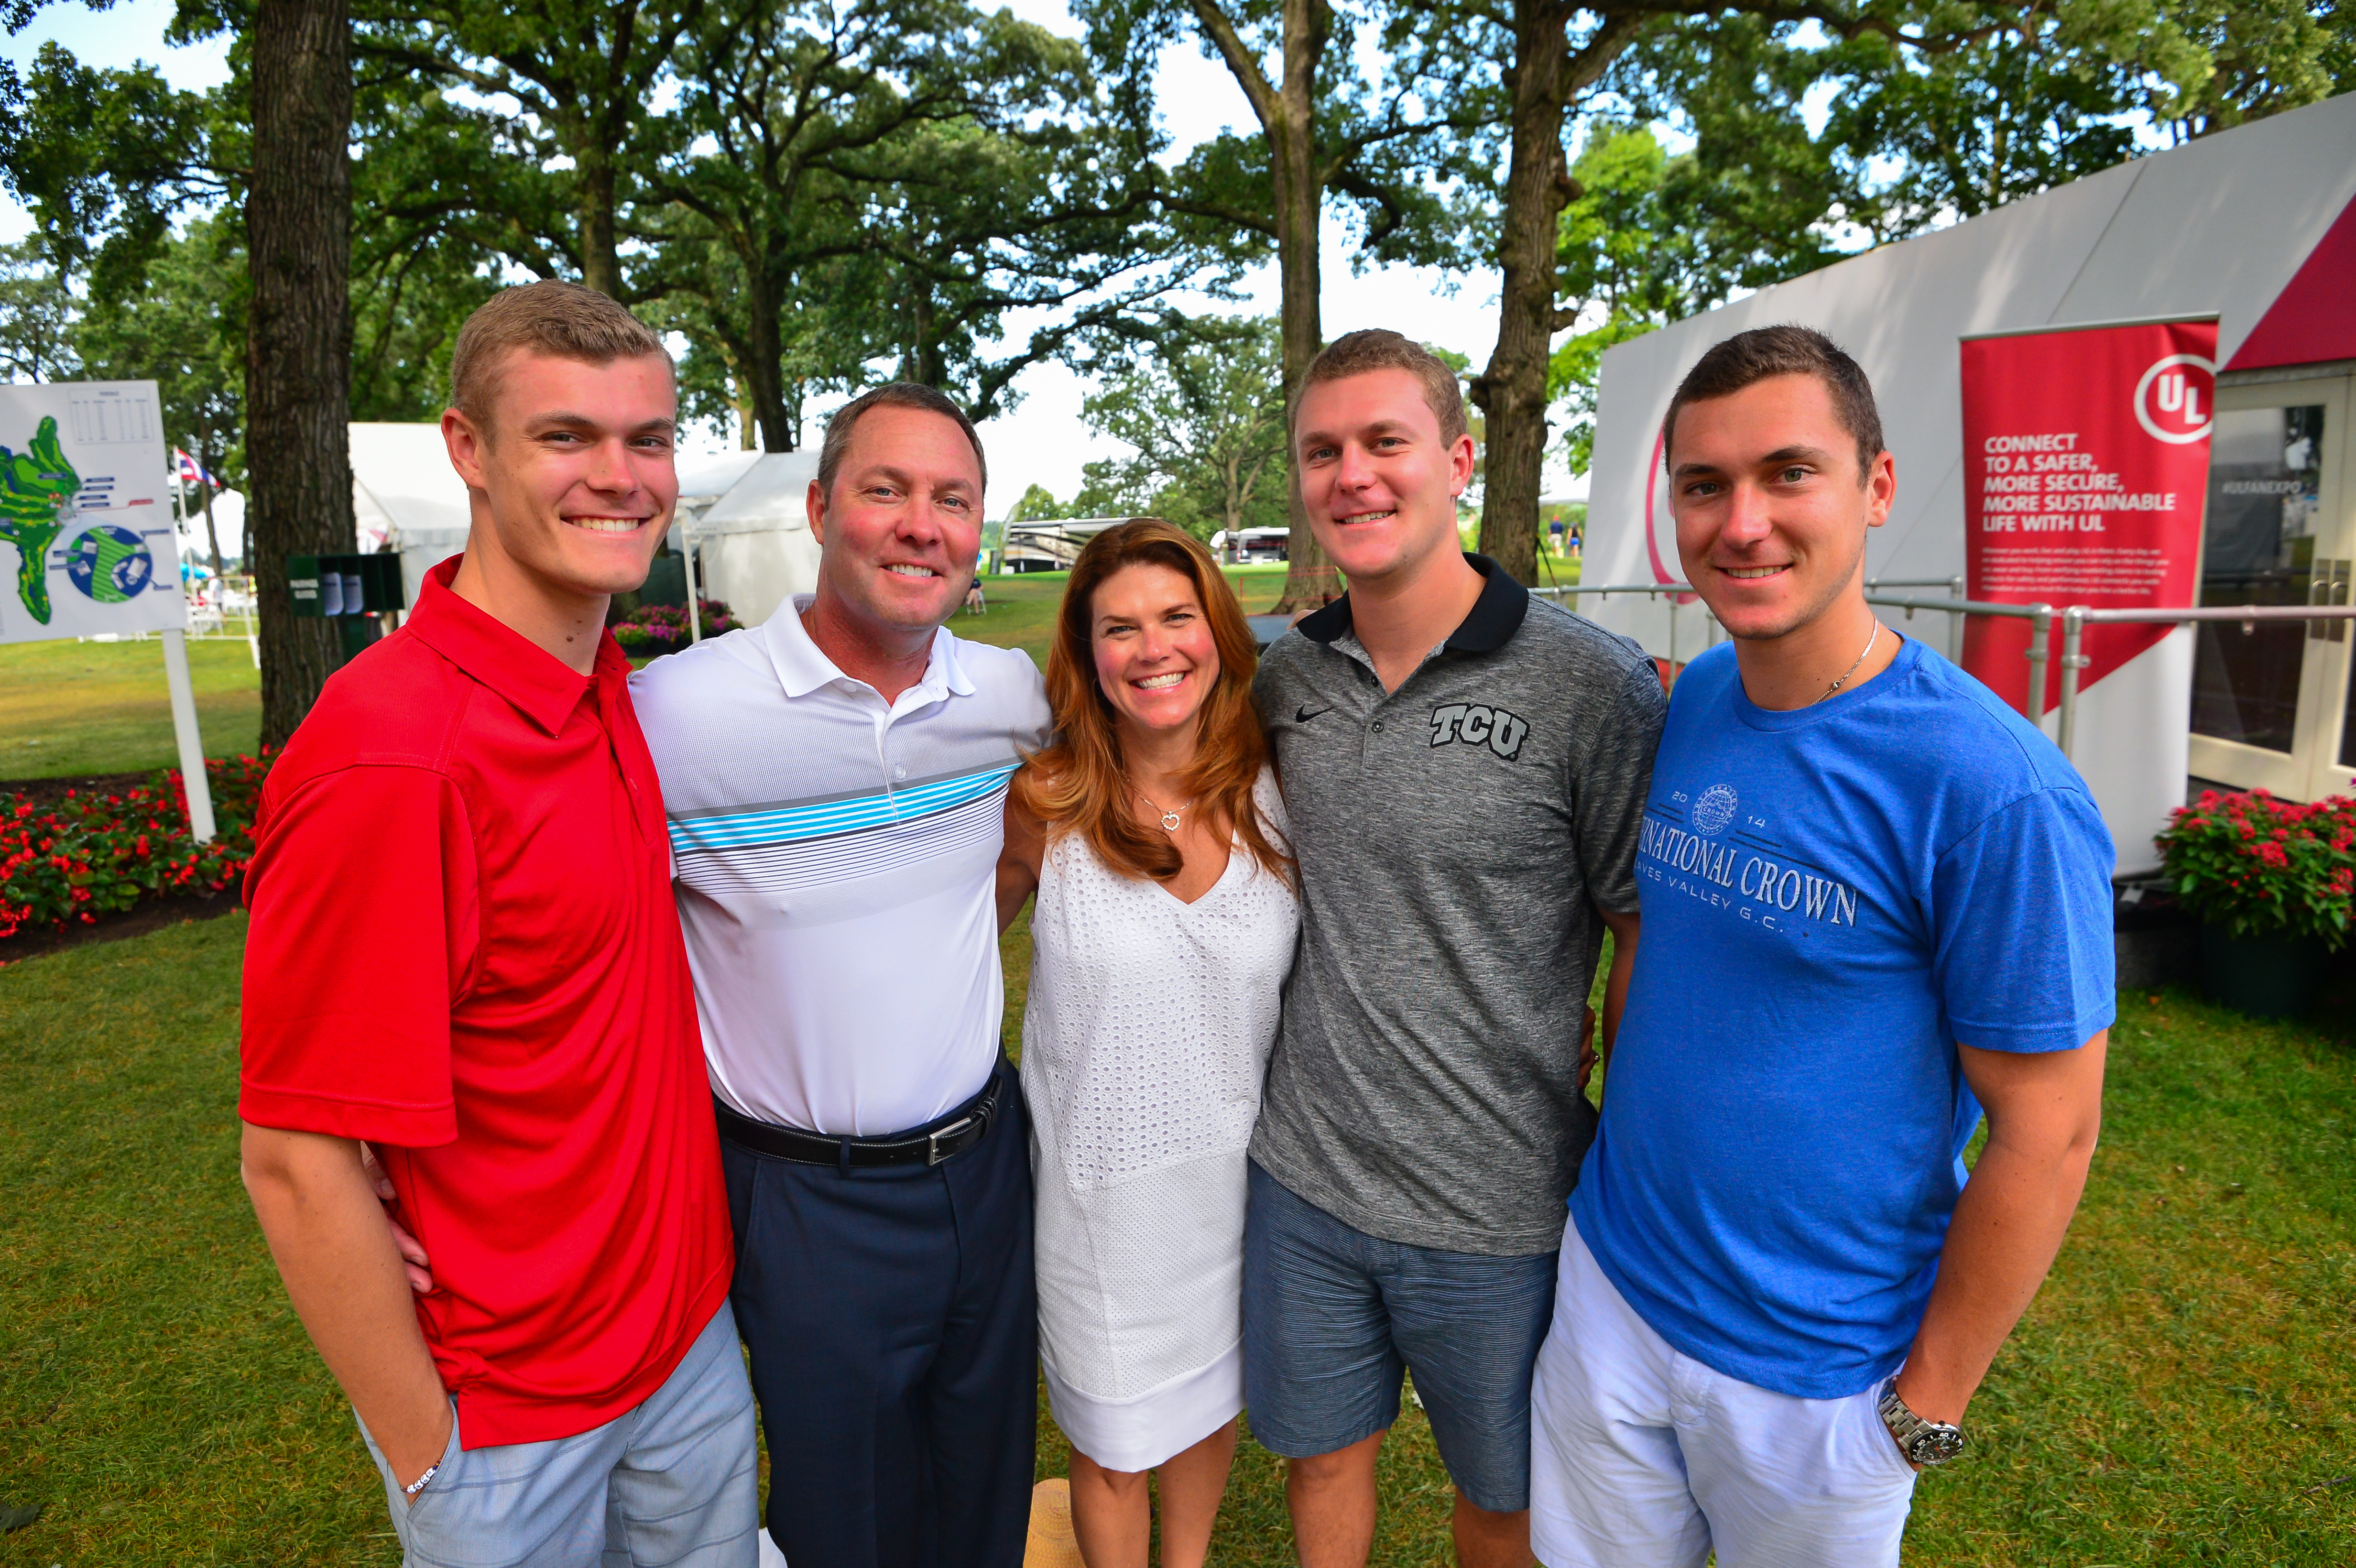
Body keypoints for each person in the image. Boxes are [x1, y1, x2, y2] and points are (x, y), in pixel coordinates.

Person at [1528, 325, 2115, 1567]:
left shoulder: (1992, 790)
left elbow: (2051, 1130)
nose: (1742, 523)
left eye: (1789, 473)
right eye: (1704, 485)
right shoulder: (1685, 706)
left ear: (1877, 488)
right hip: (1613, 1294)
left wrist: (1925, 1409)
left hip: (1818, 1379)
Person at [237, 281, 756, 1568]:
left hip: (684, 1350)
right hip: (506, 1427)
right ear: (468, 450)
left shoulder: (604, 687)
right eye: (566, 438)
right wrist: (430, 1454)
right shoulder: (394, 760)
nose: (621, 478)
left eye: (648, 439)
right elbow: (295, 1159)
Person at [1244, 329, 1668, 1568]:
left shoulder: (1590, 687)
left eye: (1386, 441)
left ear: (1460, 459)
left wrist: (1621, 1150)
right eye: (1325, 451)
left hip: (1504, 1208)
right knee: (1322, 1457)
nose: (1354, 476)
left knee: (1506, 1493)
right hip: (1304, 1178)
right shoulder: (1282, 679)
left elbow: (1637, 932)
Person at [630, 383, 1050, 1568]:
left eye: (952, 499)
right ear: (820, 510)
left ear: (979, 531)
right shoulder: (675, 718)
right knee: (842, 1517)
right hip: (802, 1197)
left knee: (984, 1489)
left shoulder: (1008, 698)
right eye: (886, 490)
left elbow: (1063, 814)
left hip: (985, 1167)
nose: (922, 524)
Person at [998, 521, 1300, 1568]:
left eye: (1176, 617)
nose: (1152, 646)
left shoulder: (1277, 793)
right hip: (1100, 1202)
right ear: (1086, 655)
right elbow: (936, 950)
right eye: (1117, 627)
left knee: (1206, 1406)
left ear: (1217, 629)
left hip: (1236, 1184)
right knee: (1116, 1443)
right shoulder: (1044, 803)